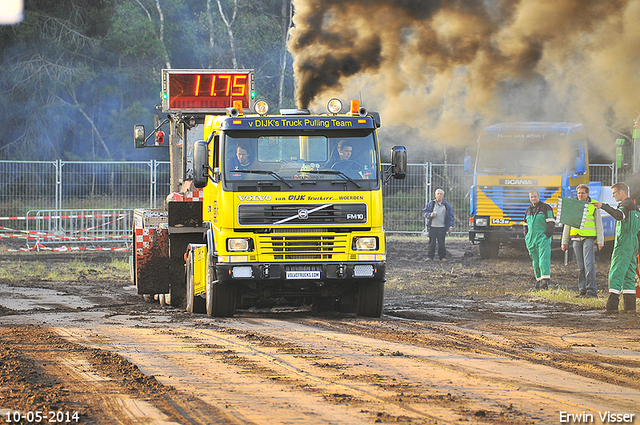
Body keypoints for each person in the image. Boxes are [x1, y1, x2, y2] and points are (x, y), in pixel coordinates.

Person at [594, 182, 640, 313]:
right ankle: (630, 308)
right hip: (633, 243)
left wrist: (604, 206)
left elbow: (619, 215)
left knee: (616, 271)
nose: (613, 195)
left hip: (624, 242)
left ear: (621, 192)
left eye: (614, 193)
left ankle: (612, 306)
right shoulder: (636, 208)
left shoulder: (625, 205)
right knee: (629, 274)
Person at [561, 184, 604, 298]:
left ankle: (592, 290)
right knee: (581, 266)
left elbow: (599, 224)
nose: (580, 195)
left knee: (588, 264)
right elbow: (568, 224)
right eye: (579, 193)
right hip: (576, 238)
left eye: (583, 193)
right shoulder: (573, 205)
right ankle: (582, 289)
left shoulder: (593, 205)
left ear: (587, 194)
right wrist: (564, 241)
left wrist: (600, 241)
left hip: (588, 238)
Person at [524, 188, 555, 289]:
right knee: (535, 261)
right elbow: (525, 225)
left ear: (539, 197)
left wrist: (546, 235)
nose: (533, 198)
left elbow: (551, 222)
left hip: (542, 238)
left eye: (535, 196)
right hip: (531, 239)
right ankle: (538, 280)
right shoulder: (528, 210)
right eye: (531, 197)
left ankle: (545, 281)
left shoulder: (546, 208)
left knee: (543, 259)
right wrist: (526, 236)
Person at [422, 188, 454, 261]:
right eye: (438, 194)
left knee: (441, 243)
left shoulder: (446, 205)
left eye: (441, 194)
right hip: (432, 227)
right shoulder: (431, 204)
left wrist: (450, 226)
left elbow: (451, 216)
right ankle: (430, 257)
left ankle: (442, 257)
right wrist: (430, 214)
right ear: (435, 195)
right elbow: (424, 212)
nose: (439, 195)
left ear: (443, 196)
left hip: (442, 227)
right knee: (431, 243)